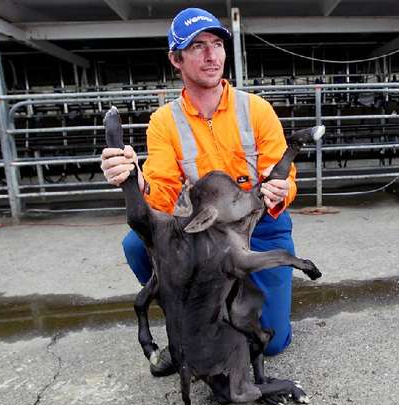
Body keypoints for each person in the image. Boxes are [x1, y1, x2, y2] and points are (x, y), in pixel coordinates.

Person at [101, 8, 297, 376]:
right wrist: (135, 180)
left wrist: (280, 188)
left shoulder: (256, 109)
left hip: (260, 227)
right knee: (134, 243)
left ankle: (241, 299)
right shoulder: (164, 122)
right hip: (205, 232)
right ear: (176, 59)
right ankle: (192, 319)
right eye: (197, 46)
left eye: (217, 44)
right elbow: (160, 195)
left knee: (271, 341)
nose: (211, 55)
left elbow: (284, 173)